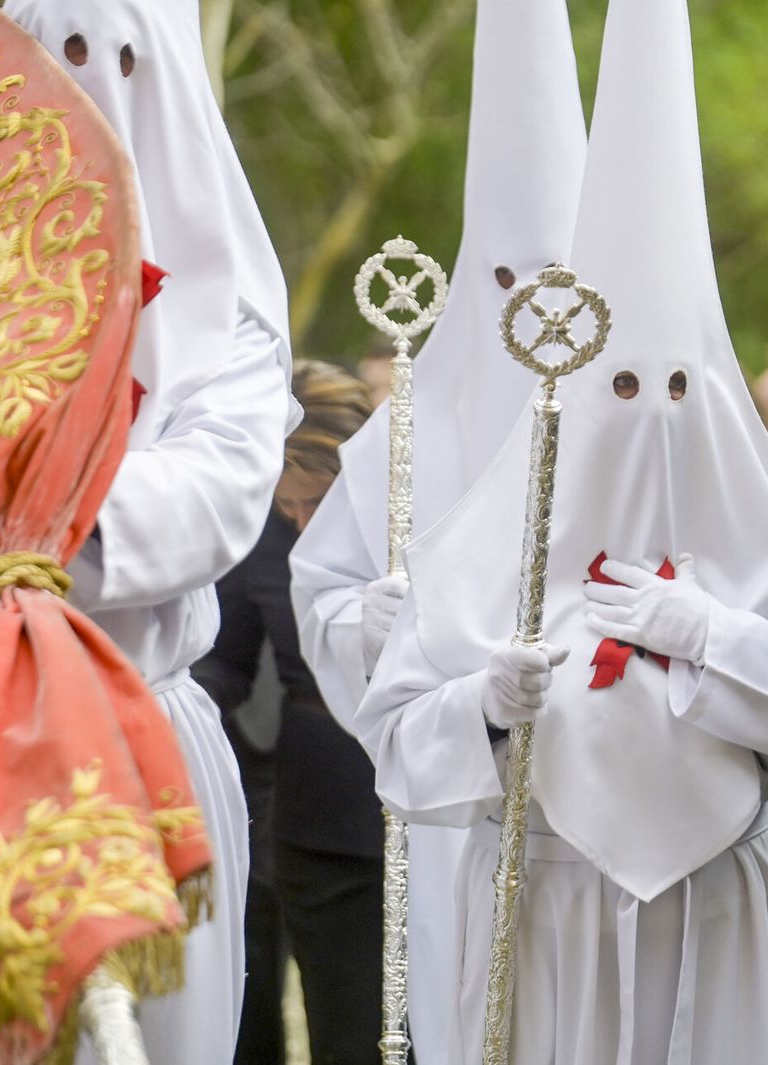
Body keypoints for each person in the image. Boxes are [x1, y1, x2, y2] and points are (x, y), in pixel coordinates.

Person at [352, 0, 768, 1060]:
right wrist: (486, 708)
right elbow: (400, 753)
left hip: (723, 907)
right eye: (625, 387)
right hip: (542, 908)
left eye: (679, 387)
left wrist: (714, 635)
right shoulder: (485, 560)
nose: (652, 412)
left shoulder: (760, 555)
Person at [288, 0, 589, 1060]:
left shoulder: (633, 420)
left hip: (598, 817)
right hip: (452, 811)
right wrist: (364, 621)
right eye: (508, 291)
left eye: (554, 294)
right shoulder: (397, 439)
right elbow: (318, 592)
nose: (532, 329)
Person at [3, 2, 298, 1062]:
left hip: (130, 740)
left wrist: (19, 524)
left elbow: (217, 488)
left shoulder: (226, 319)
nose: (72, 96)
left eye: (101, 58)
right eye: (38, 55)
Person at [199, 361, 383, 1065]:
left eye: (320, 501)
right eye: (288, 505)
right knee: (346, 1028)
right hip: (321, 814)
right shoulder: (267, 535)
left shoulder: (427, 517)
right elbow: (226, 661)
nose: (304, 524)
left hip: (438, 803)